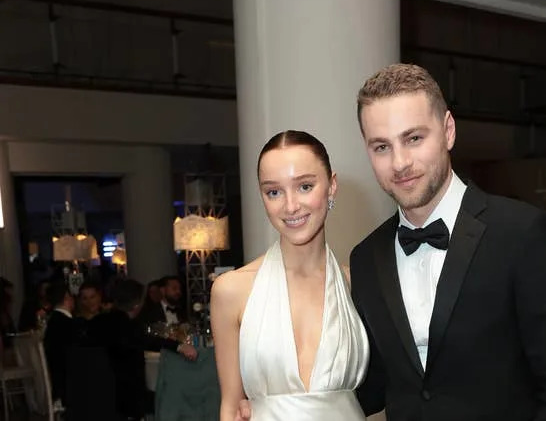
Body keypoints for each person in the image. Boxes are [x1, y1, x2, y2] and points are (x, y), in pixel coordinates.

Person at [347, 63, 546, 420]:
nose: (399, 162)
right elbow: (373, 387)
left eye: (414, 138)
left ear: (448, 131)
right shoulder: (366, 257)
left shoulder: (525, 235)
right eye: (381, 146)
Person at [211, 130, 368, 421]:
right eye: (274, 192)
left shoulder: (359, 284)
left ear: (332, 187)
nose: (291, 206)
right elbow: (231, 408)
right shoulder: (231, 291)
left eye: (305, 186)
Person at [86, 279, 198, 420]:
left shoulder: (97, 322)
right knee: (177, 398)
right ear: (137, 305)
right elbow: (149, 341)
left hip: (95, 395)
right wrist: (179, 346)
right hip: (126, 399)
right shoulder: (128, 326)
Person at [43, 281, 76, 407]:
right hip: (68, 384)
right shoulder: (67, 324)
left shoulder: (53, 322)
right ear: (67, 297)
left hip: (58, 382)